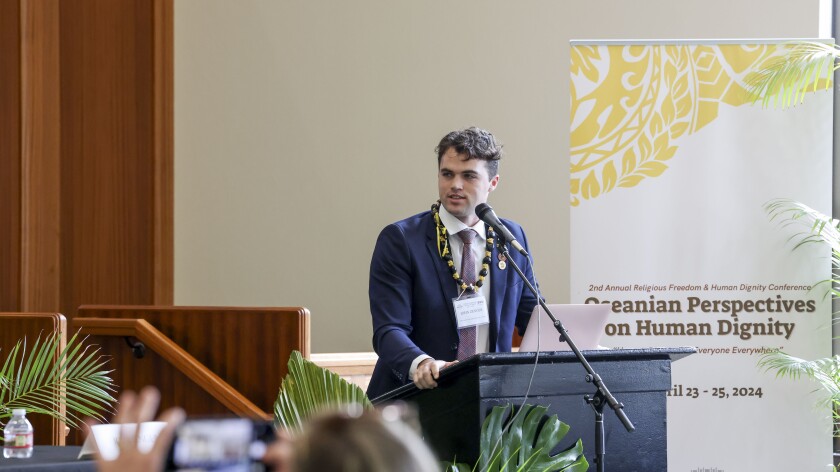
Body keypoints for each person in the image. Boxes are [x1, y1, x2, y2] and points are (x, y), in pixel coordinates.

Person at [367, 126, 539, 399]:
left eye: (468, 176)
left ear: (493, 183)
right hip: (415, 399)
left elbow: (534, 318)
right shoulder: (401, 240)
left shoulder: (511, 238)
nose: (455, 185)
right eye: (447, 174)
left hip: (488, 401)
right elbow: (389, 330)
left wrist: (579, 343)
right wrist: (422, 363)